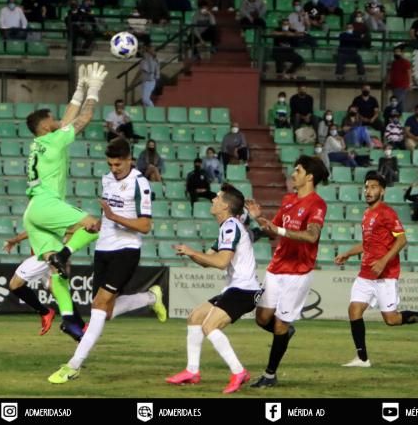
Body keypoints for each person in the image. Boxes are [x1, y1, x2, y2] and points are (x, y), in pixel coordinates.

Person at [48, 138, 167, 384]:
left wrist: (114, 216)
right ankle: (151, 297)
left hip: (126, 250)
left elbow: (145, 225)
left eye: (118, 165)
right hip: (103, 250)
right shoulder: (106, 179)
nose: (114, 169)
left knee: (99, 306)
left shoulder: (140, 184)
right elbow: (108, 217)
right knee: (106, 311)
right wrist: (99, 223)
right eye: (110, 164)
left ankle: (73, 365)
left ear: (129, 160)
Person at [334, 171, 418, 368]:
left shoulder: (387, 213)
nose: (368, 191)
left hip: (385, 274)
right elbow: (367, 244)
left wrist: (383, 262)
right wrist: (348, 253)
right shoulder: (367, 214)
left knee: (392, 319)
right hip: (366, 274)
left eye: (373, 187)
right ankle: (362, 359)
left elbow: (402, 239)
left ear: (382, 191)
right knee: (354, 310)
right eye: (367, 187)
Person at [23, 62, 107, 311]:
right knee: (94, 225)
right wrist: (93, 90)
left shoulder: (40, 142)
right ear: (46, 126)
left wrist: (78, 91)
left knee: (55, 269)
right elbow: (84, 119)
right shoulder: (53, 141)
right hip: (47, 204)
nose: (57, 120)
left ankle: (69, 318)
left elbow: (67, 122)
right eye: (52, 119)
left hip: (34, 209)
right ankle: (66, 253)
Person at [166, 184, 260, 394]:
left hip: (244, 290)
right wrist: (192, 254)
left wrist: (192, 251)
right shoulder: (228, 227)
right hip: (236, 289)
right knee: (195, 317)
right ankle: (192, 371)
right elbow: (208, 260)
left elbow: (220, 262)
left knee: (209, 327)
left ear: (225, 205)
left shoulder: (230, 226)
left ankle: (239, 372)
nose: (213, 200)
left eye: (217, 198)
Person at [246, 155, 329, 388]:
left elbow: (312, 235)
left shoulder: (317, 204)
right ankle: (285, 332)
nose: (293, 174)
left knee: (279, 324)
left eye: (298, 170)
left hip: (298, 272)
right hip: (276, 267)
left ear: (309, 177)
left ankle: (270, 375)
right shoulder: (288, 199)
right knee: (262, 318)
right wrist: (259, 218)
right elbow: (274, 230)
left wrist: (280, 230)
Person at [2, 231, 87, 341]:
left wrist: (14, 240)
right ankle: (82, 326)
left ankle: (45, 312)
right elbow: (33, 230)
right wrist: (15, 240)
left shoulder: (52, 217)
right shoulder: (45, 217)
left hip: (45, 255)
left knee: (15, 285)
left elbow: (71, 230)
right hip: (50, 256)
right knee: (58, 292)